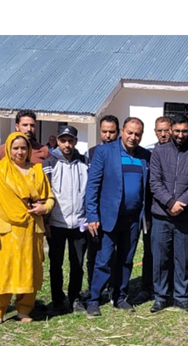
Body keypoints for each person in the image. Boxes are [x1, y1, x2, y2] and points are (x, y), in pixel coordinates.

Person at [0, 132, 54, 328]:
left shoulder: (37, 171)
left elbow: (50, 198)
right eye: (16, 148)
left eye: (23, 148)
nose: (20, 152)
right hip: (7, 230)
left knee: (30, 269)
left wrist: (44, 208)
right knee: (4, 270)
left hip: (31, 229)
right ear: (8, 149)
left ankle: (24, 309)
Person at [85, 117, 151, 316]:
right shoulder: (105, 152)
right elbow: (93, 185)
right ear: (122, 131)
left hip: (133, 219)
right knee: (103, 260)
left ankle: (120, 296)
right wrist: (92, 215)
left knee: (126, 259)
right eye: (129, 132)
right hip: (108, 217)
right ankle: (94, 298)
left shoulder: (144, 156)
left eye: (137, 134)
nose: (133, 137)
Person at [149, 115, 188, 313]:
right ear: (170, 130)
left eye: (184, 131)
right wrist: (169, 202)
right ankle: (160, 296)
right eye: (177, 131)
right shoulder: (158, 152)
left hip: (184, 216)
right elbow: (154, 182)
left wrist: (180, 204)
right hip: (161, 215)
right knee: (161, 258)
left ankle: (181, 296)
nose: (180, 135)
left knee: (182, 259)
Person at [43, 125, 89, 315]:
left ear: (76, 142)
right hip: (56, 223)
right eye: (63, 141)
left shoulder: (85, 162)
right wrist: (46, 221)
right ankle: (57, 299)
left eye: (70, 141)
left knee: (77, 263)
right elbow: (44, 193)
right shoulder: (49, 163)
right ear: (58, 141)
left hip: (79, 222)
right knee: (56, 264)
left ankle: (75, 297)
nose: (67, 144)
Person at [85, 114, 121, 305]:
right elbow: (89, 185)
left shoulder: (121, 153)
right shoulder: (90, 153)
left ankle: (112, 289)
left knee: (114, 255)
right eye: (104, 131)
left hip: (114, 214)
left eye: (111, 132)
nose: (107, 135)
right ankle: (94, 290)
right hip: (95, 215)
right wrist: (91, 212)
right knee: (95, 255)